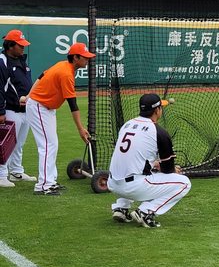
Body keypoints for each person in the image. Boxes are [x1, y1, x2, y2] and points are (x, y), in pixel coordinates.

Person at [108, 93, 191, 228]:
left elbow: (132, 156)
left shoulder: (127, 124)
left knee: (136, 170)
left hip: (112, 184)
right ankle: (145, 212)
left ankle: (121, 208)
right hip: (133, 187)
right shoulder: (159, 132)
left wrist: (155, 164)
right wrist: (172, 170)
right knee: (184, 183)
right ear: (157, 110)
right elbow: (167, 169)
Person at [25, 42, 94, 195]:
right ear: (75, 58)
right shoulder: (66, 73)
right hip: (39, 107)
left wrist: (29, 95)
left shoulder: (64, 65)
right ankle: (44, 185)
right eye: (85, 57)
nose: (87, 60)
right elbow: (73, 105)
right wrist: (80, 129)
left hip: (46, 108)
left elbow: (41, 76)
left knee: (52, 144)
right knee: (47, 145)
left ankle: (50, 181)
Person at [0, 29, 36, 187]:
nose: (23, 47)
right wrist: (0, 111)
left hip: (24, 109)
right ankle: (1, 175)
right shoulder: (2, 61)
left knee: (19, 143)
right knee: (5, 144)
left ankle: (16, 171)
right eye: (20, 45)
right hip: (9, 109)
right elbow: (0, 88)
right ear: (10, 46)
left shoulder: (21, 60)